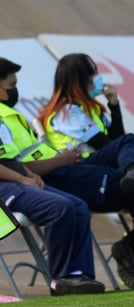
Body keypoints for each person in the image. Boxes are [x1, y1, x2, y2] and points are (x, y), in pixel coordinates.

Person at [0, 48, 105, 297]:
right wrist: (22, 178)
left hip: (10, 175)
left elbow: (6, 152)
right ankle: (60, 279)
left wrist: (27, 173)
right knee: (60, 208)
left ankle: (80, 275)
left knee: (78, 205)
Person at [36, 52, 134, 288]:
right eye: (93, 75)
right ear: (80, 80)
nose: (98, 79)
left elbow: (117, 143)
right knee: (129, 143)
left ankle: (128, 247)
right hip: (80, 170)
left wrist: (113, 106)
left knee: (128, 152)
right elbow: (112, 145)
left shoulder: (92, 109)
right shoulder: (66, 112)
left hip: (104, 169)